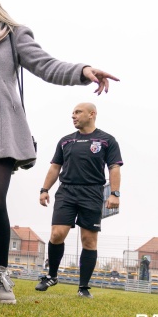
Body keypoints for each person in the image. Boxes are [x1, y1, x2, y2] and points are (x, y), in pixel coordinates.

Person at [0, 0, 119, 304]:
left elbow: (46, 65)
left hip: (1, 132)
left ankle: (2, 278)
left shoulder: (14, 36)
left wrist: (82, 71)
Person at [34, 102, 123, 299]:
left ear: (92, 114)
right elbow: (55, 167)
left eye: (78, 112)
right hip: (66, 191)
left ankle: (83, 287)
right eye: (72, 112)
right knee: (57, 234)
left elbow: (114, 168)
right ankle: (52, 276)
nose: (73, 116)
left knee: (89, 240)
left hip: (92, 193)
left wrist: (115, 194)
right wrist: (44, 189)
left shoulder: (107, 140)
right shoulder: (65, 141)